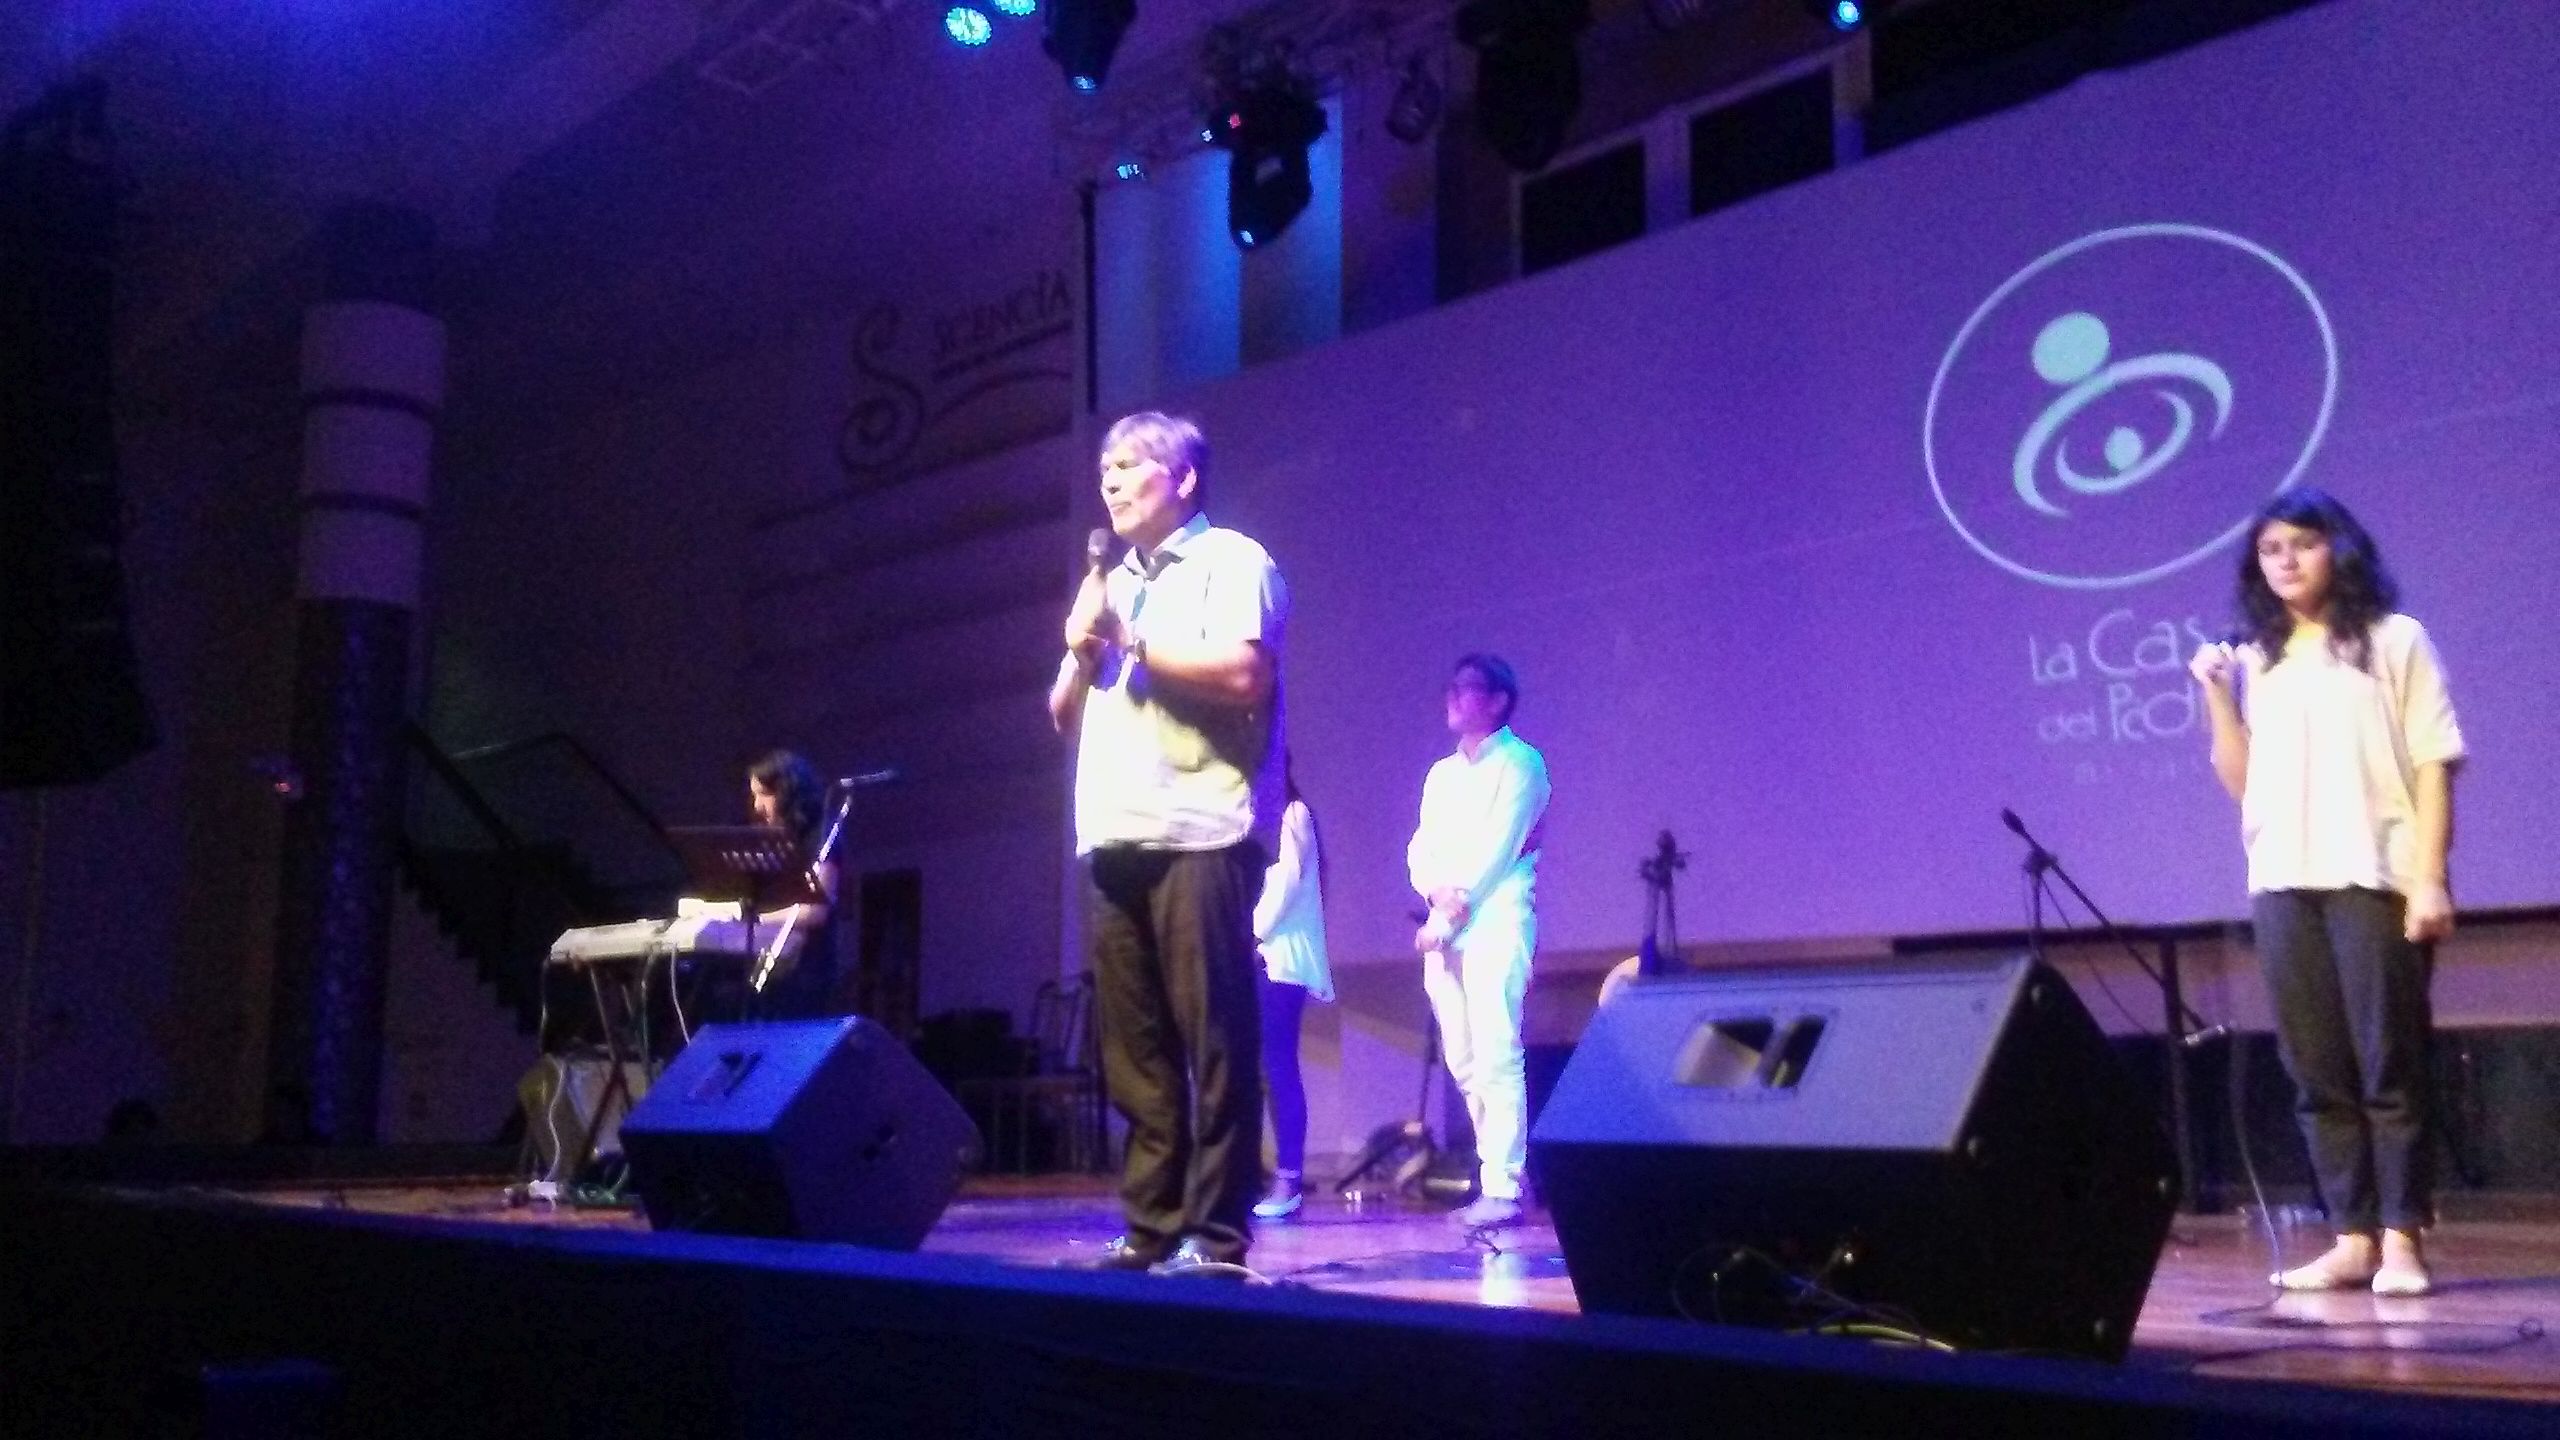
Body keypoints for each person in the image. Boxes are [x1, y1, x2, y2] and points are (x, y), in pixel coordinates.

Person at [2190, 488, 2464, 1298]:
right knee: (2316, 1071)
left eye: (2302, 544)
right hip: (2283, 880)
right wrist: (2216, 693)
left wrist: (2429, 878)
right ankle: (2351, 1238)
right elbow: (2243, 783)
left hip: (2374, 876)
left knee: (2390, 1065)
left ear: (2338, 549)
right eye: (2271, 549)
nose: (2286, 561)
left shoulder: (2394, 639)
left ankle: (2402, 1240)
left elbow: (2434, 763)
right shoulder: (2259, 658)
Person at [1048, 411, 1287, 1276]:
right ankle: (1150, 1227)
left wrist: (1134, 640)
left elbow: (1245, 673)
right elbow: (1061, 716)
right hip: (1115, 830)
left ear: (1183, 478)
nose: (1109, 480)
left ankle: (1217, 1237)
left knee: (1215, 1041)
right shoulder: (1112, 582)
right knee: (1135, 1051)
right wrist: (1083, 651)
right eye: (1103, 468)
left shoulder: (1232, 560)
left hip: (1201, 828)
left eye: (1129, 465)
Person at [1407, 653, 1550, 1231]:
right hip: (1445, 925)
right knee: (1463, 1060)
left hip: (1495, 922)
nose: (1453, 696)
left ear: (1497, 700)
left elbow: (1497, 850)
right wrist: (1432, 889)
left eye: (1466, 688)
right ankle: (1503, 1171)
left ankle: (1503, 1184)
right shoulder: (1441, 775)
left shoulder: (1521, 764)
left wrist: (1447, 916)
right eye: (1452, 685)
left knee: (1496, 1051)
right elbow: (1421, 846)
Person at [1251, 755, 1333, 1221]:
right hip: (1257, 957)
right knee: (1255, 1069)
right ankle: (1250, 1173)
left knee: (1277, 1066)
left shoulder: (1293, 813)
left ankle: (1289, 1176)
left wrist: (1249, 933)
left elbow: (1285, 882)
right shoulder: (1253, 822)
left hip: (1278, 959)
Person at [742, 749, 839, 1020]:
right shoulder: (771, 838)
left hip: (806, 973)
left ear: (788, 793)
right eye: (754, 796)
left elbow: (815, 912)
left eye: (764, 794)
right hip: (770, 965)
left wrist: (752, 920)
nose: (757, 806)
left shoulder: (821, 834)